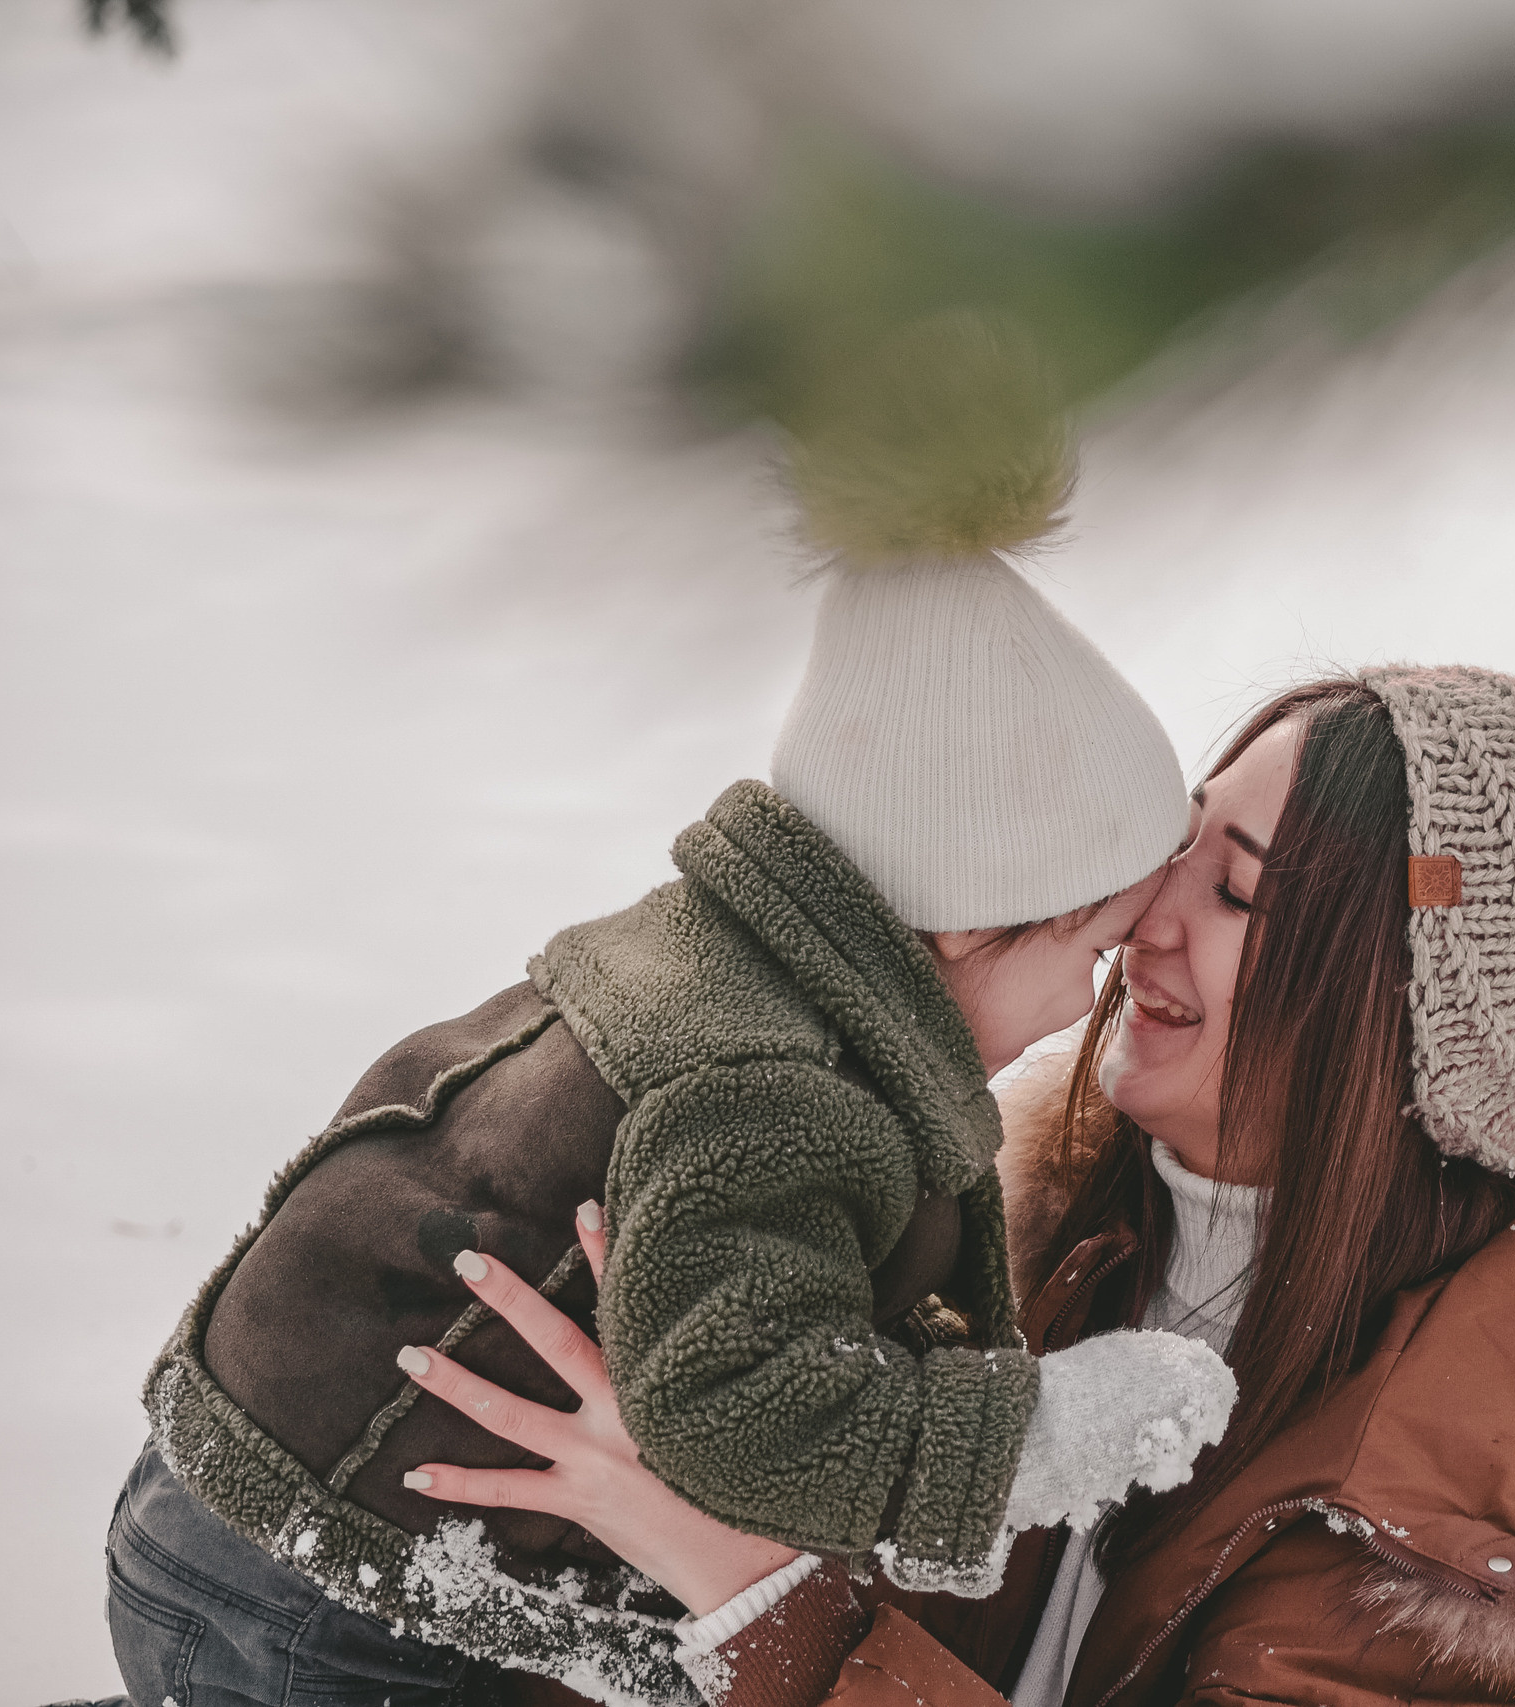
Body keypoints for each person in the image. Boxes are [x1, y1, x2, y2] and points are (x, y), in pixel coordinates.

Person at [399, 665, 1515, 1707]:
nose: (1139, 916)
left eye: (1232, 892)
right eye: (1176, 849)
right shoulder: (1054, 1224)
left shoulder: (1498, 1505)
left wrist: (752, 1583)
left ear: (1403, 1022)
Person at [105, 321, 1239, 1707]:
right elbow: (740, 1416)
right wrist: (1037, 1435)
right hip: (349, 1607)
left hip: (238, 1508)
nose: (1091, 1002)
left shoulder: (719, 957)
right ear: (967, 917)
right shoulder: (777, 1088)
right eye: (1094, 950)